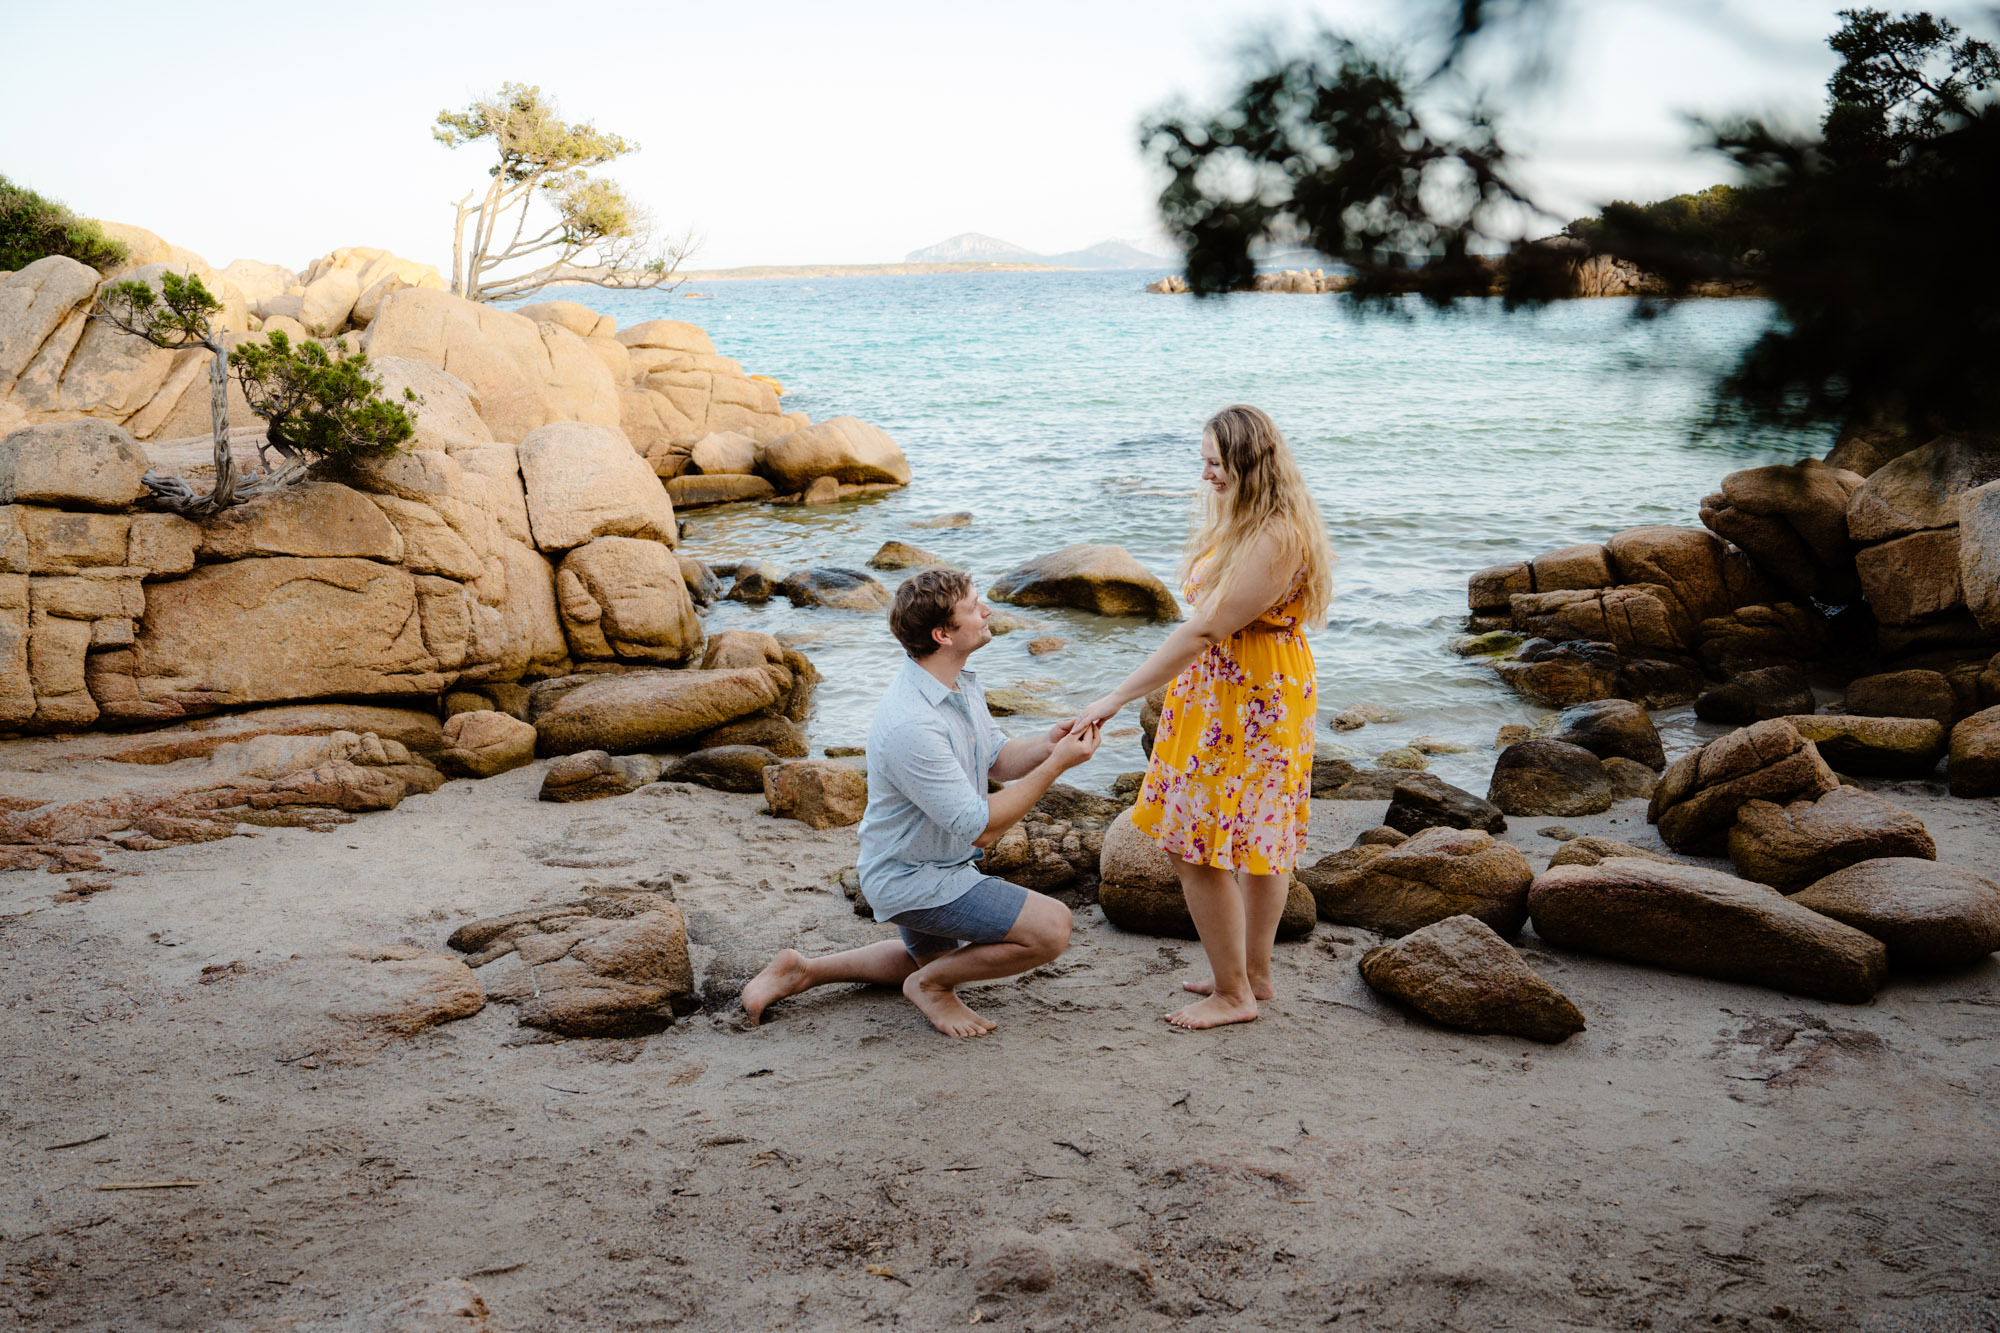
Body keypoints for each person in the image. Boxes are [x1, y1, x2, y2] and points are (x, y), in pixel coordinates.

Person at [741, 567, 1103, 1037]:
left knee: (923, 960)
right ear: (942, 634)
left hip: (935, 865)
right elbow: (983, 828)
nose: (987, 610)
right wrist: (1058, 769)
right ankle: (931, 988)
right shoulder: (912, 723)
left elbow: (995, 758)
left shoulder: (958, 683)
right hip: (913, 879)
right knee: (1052, 928)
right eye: (974, 607)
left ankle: (805, 970)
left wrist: (1050, 746)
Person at [1073, 404, 1336, 1029]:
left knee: (1198, 849)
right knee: (1256, 838)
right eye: (1203, 463)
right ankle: (1253, 976)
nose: (1207, 477)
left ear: (1249, 463)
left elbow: (1209, 627)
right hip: (1253, 689)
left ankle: (1234, 993)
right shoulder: (1260, 522)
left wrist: (1112, 697)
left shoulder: (1275, 533)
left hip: (1245, 700)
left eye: (1216, 465)